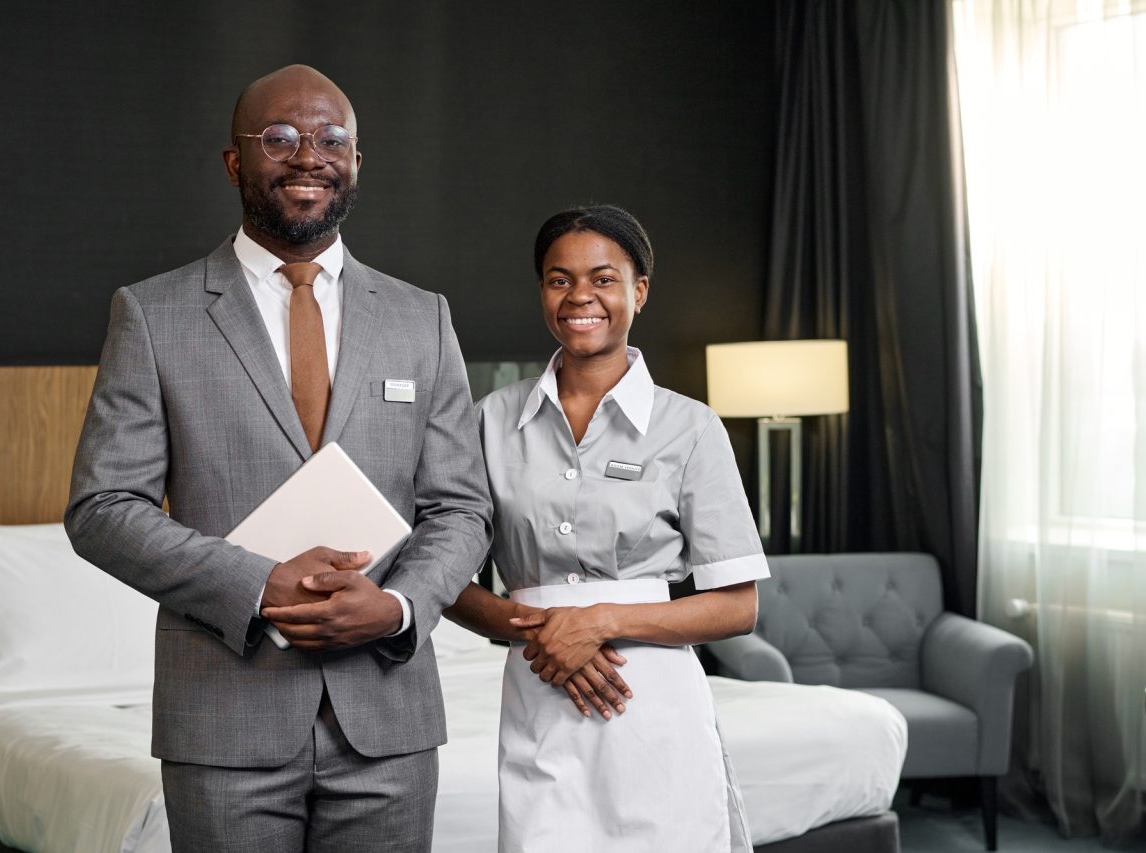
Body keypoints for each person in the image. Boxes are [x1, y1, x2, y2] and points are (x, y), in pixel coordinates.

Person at [65, 65, 491, 853]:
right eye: (280, 137)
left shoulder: (422, 318)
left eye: (331, 139)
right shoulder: (152, 314)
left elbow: (461, 506)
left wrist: (398, 607)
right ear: (235, 161)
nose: (308, 157)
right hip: (224, 719)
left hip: (389, 720)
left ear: (356, 159)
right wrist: (258, 583)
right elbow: (102, 509)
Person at [445, 205, 769, 852]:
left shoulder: (691, 427)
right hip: (537, 690)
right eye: (559, 280)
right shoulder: (487, 421)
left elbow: (738, 606)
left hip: (653, 704)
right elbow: (445, 578)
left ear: (638, 291)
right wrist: (541, 628)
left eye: (603, 278)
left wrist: (597, 622)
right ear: (542, 291)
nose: (580, 297)